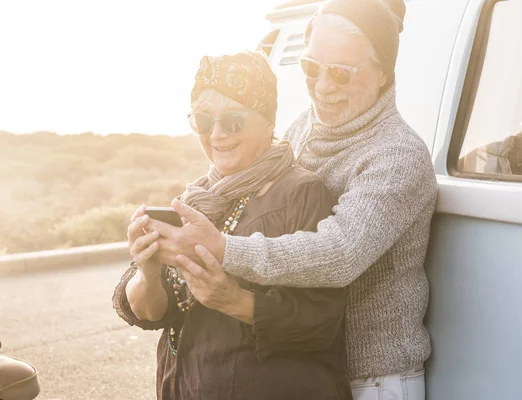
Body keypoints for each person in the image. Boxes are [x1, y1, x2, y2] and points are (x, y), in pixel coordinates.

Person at [149, 0, 438, 398]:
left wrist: (223, 248)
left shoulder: (398, 154)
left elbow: (339, 253)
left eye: (340, 72)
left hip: (375, 378)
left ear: (384, 72)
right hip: (314, 367)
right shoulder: (303, 127)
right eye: (310, 67)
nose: (322, 87)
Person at [112, 50, 351, 400]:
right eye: (204, 121)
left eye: (233, 120)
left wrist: (235, 300)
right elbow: (150, 313)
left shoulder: (302, 193)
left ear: (269, 121)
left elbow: (321, 323)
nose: (218, 134)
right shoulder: (195, 200)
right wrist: (147, 272)